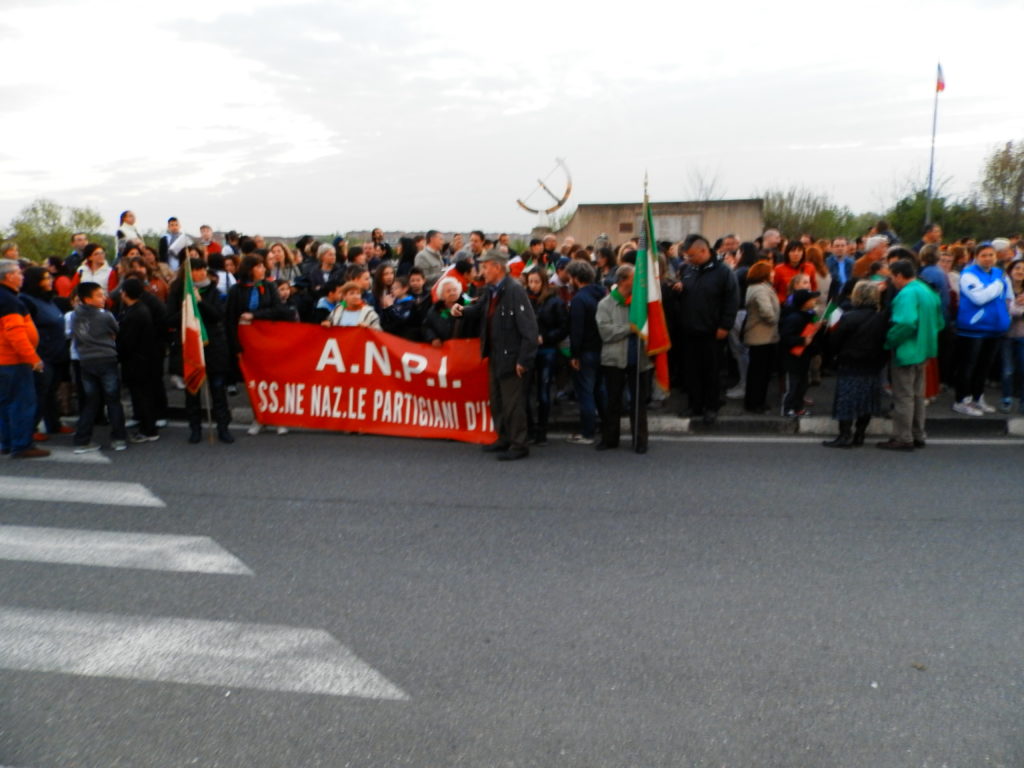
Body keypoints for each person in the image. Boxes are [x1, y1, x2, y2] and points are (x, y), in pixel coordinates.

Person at [452, 249, 538, 461]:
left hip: (512, 356)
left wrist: (523, 360)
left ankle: (519, 444)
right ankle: (504, 438)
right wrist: (462, 310)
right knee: (497, 400)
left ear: (497, 267)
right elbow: (479, 309)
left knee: (512, 403)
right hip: (495, 354)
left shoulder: (514, 290)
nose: (482, 271)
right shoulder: (491, 290)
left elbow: (529, 329)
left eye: (486, 266)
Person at [673, 234, 740, 424]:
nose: (688, 259)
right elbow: (686, 295)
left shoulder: (723, 272)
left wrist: (725, 326)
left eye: (692, 255)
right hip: (689, 330)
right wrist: (678, 291)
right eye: (686, 256)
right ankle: (694, 405)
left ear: (704, 251)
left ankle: (711, 407)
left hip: (713, 332)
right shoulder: (687, 269)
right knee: (691, 372)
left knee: (712, 372)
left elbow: (731, 300)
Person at [877, 259, 944, 450]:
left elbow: (905, 323)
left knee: (903, 396)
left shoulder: (906, 293)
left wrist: (890, 340)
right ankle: (918, 434)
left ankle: (903, 437)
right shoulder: (928, 291)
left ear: (898, 275)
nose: (891, 281)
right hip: (924, 350)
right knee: (917, 395)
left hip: (907, 350)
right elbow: (940, 322)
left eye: (892, 277)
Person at [170, 259, 234, 444]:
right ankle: (195, 429)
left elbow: (217, 316)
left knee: (218, 391)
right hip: (191, 347)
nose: (200, 273)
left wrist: (201, 302)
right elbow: (169, 320)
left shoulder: (215, 291)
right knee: (193, 392)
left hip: (213, 347)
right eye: (195, 270)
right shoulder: (178, 293)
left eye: (202, 269)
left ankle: (223, 429)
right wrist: (186, 309)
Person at [822, 281, 888, 447]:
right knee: (867, 400)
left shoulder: (848, 318)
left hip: (850, 363)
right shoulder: (882, 318)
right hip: (873, 364)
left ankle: (845, 436)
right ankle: (860, 435)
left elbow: (833, 342)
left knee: (846, 400)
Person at [595, 264, 651, 453]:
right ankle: (610, 438)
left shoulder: (641, 302)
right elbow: (606, 332)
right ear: (623, 281)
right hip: (614, 360)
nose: (638, 282)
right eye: (634, 278)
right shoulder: (606, 304)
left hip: (639, 359)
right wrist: (629, 328)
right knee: (613, 401)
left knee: (638, 403)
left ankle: (640, 440)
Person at [952, 242, 1012, 415]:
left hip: (994, 328)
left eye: (991, 255)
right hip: (973, 329)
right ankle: (961, 400)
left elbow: (1007, 298)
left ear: (996, 256)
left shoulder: (999, 273)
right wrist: (997, 285)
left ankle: (978, 398)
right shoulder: (968, 274)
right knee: (968, 366)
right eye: (983, 255)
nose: (988, 258)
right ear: (976, 257)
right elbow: (979, 298)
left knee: (984, 367)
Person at [0, 260, 49, 458]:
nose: (22, 277)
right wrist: (32, 358)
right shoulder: (10, 301)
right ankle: (21, 445)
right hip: (14, 360)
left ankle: (7, 442)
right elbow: (15, 334)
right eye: (19, 273)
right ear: (9, 276)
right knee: (22, 403)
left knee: (4, 402)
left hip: (4, 360)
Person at [71, 282, 128, 453]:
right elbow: (116, 331)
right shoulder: (105, 316)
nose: (103, 298)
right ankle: (119, 438)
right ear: (87, 299)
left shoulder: (75, 315)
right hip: (106, 359)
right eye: (99, 295)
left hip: (86, 360)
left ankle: (82, 439)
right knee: (113, 400)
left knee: (91, 401)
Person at [19, 266, 72, 442]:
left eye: (50, 277)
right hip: (42, 355)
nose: (50, 281)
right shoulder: (26, 301)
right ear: (35, 281)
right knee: (39, 391)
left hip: (56, 353)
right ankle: (31, 427)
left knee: (51, 391)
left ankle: (53, 423)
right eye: (45, 278)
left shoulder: (48, 300)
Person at [524, 267, 568, 446]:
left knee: (543, 391)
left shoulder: (554, 302)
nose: (533, 285)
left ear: (543, 282)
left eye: (536, 281)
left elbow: (564, 327)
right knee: (525, 392)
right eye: (530, 281)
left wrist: (546, 337)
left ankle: (542, 430)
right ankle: (529, 427)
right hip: (527, 351)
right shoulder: (525, 299)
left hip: (546, 351)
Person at [566, 260, 605, 445]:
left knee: (586, 393)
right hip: (602, 349)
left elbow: (577, 331)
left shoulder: (579, 300)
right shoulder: (602, 294)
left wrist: (574, 355)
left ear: (575, 278)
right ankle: (606, 427)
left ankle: (588, 432)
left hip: (586, 352)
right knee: (600, 390)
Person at [116, 279, 160, 443]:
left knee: (142, 396)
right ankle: (147, 426)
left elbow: (128, 342)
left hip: (138, 361)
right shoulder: (138, 309)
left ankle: (148, 430)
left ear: (125, 293)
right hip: (143, 360)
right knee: (143, 395)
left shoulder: (135, 313)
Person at [740, 261, 779, 414]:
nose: (773, 274)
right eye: (771, 271)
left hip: (760, 336)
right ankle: (756, 403)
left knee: (756, 371)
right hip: (762, 336)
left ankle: (754, 401)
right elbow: (766, 311)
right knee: (760, 373)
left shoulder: (754, 288)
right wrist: (775, 321)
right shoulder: (761, 290)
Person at [778, 289, 821, 418]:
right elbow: (785, 337)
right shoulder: (793, 318)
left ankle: (798, 407)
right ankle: (787, 408)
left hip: (804, 356)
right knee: (793, 385)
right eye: (811, 299)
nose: (814, 301)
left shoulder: (809, 315)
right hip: (792, 358)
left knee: (802, 384)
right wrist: (801, 340)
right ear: (804, 302)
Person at [999, 258, 1024, 413]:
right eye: (1017, 268)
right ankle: (1006, 398)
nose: (1020, 272)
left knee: (1023, 369)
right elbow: (1010, 311)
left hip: (1022, 335)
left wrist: (1014, 307)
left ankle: (1022, 400)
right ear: (1010, 270)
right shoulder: (1003, 288)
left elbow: (1015, 312)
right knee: (1007, 369)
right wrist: (1017, 304)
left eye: (1023, 269)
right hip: (1006, 334)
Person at [422, 277, 468, 345]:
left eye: (455, 290)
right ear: (442, 295)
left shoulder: (468, 306)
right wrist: (433, 338)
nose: (452, 293)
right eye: (448, 291)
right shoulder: (434, 310)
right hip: (443, 348)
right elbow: (426, 327)